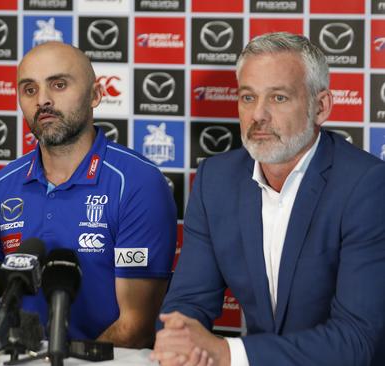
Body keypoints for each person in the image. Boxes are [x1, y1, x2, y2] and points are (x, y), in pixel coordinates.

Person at [151, 32, 385, 366]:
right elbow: (190, 299)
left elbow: (357, 340)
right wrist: (180, 337)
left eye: (278, 98)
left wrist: (228, 352)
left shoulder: (367, 185)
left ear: (320, 107)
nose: (257, 115)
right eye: (248, 98)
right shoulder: (215, 180)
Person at [0, 41, 177, 348]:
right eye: (29, 90)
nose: (43, 100)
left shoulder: (137, 183)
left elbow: (135, 327)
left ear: (95, 95)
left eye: (58, 84)